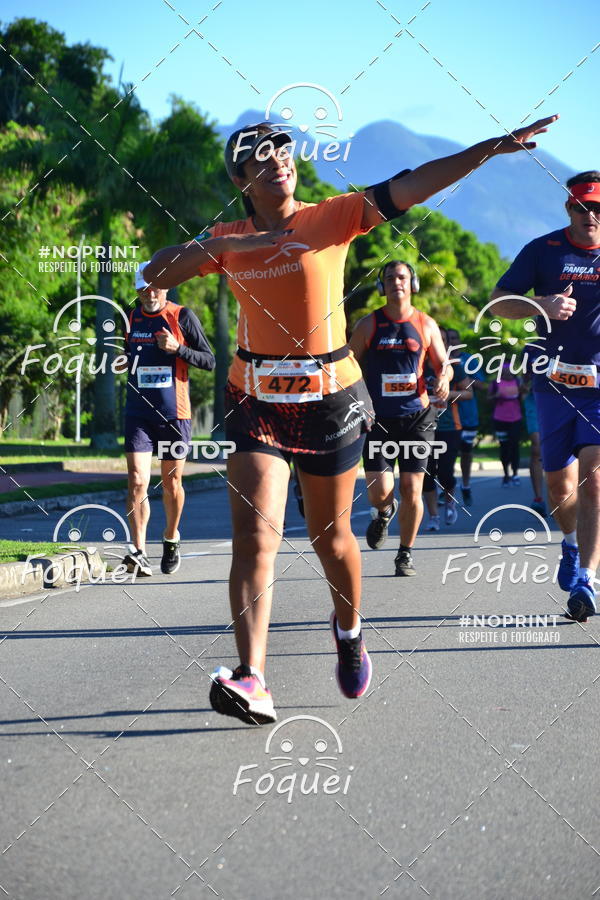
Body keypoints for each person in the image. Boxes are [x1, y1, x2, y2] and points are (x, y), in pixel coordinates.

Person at [145, 115, 558, 724]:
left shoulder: (331, 217)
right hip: (255, 401)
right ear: (242, 179)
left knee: (329, 539)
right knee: (255, 537)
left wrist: (490, 149)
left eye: (283, 149)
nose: (278, 160)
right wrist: (234, 246)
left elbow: (414, 183)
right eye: (260, 156)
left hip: (328, 400)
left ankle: (349, 629)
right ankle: (253, 677)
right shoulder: (228, 236)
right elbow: (155, 274)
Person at [490, 170, 600, 621]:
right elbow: (497, 301)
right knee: (560, 487)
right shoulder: (543, 250)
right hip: (553, 386)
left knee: (595, 480)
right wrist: (541, 305)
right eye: (582, 206)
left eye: (597, 207)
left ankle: (587, 581)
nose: (590, 215)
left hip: (598, 390)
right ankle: (570, 545)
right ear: (568, 207)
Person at [349, 260, 450, 576]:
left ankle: (405, 553)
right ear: (382, 286)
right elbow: (348, 366)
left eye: (402, 277)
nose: (396, 282)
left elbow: (442, 365)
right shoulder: (369, 325)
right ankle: (384, 512)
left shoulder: (426, 324)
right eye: (390, 277)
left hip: (416, 418)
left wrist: (444, 378)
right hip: (377, 419)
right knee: (378, 492)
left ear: (413, 284)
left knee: (412, 488)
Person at [121, 265, 215, 576]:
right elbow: (126, 355)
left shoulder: (182, 316)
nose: (150, 293)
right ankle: (137, 551)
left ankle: (171, 537)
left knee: (172, 483)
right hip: (138, 413)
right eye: (144, 288)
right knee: (136, 480)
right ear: (137, 291)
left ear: (166, 287)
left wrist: (179, 349)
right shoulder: (130, 318)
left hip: (175, 415)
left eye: (156, 287)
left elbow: (210, 360)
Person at [422, 329, 473, 527]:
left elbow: (468, 394)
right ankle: (433, 516)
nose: (439, 343)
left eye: (443, 340)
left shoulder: (453, 367)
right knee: (426, 473)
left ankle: (450, 503)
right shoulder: (418, 366)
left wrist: (448, 394)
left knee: (445, 473)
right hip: (422, 426)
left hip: (449, 426)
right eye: (437, 339)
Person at [445, 327, 486, 507]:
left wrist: (463, 376)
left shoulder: (469, 360)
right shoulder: (439, 359)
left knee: (466, 452)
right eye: (449, 338)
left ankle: (466, 485)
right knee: (448, 456)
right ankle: (447, 488)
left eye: (455, 338)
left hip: (468, 414)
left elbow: (482, 385)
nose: (452, 341)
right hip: (446, 417)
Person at [488, 364, 523, 486]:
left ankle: (515, 474)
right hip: (500, 419)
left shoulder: (518, 382)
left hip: (516, 419)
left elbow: (522, 398)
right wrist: (495, 396)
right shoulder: (495, 383)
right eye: (504, 372)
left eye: (509, 372)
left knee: (514, 445)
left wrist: (523, 393)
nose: (508, 374)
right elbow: (488, 399)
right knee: (504, 447)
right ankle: (506, 474)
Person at [522, 344, 546, 516]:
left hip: (562, 400)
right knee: (536, 447)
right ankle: (538, 498)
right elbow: (525, 377)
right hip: (535, 399)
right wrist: (525, 385)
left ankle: (565, 496)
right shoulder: (530, 349)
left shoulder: (567, 337)